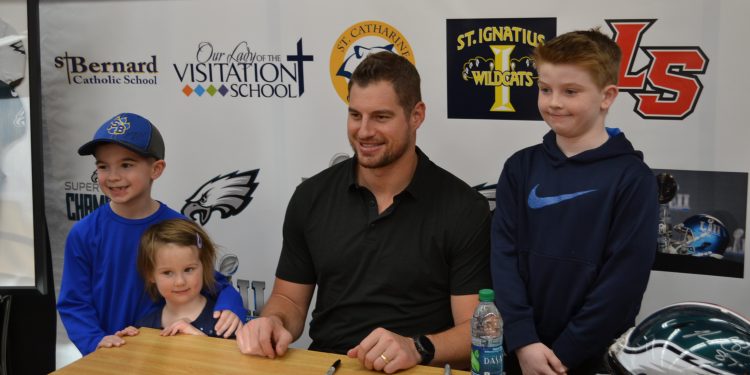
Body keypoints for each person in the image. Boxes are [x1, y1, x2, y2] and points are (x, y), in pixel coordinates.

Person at [236, 52, 491, 373]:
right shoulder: (311, 196)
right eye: (355, 115)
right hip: (332, 364)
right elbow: (289, 300)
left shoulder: (464, 208)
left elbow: (476, 330)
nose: (364, 131)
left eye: (381, 117)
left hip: (418, 368)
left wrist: (416, 347)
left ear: (416, 115)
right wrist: (272, 322)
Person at [491, 28, 658, 375]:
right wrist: (522, 340)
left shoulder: (633, 179)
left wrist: (564, 355)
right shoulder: (520, 167)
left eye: (570, 91)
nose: (553, 102)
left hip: (592, 358)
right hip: (520, 353)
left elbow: (622, 286)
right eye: (545, 89)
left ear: (607, 96)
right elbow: (503, 259)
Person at [57, 113, 245, 355]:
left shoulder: (178, 225)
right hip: (109, 355)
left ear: (156, 169)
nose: (113, 176)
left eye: (126, 165)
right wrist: (96, 340)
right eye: (103, 166)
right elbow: (74, 303)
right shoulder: (84, 233)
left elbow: (214, 283)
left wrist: (231, 308)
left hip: (165, 354)